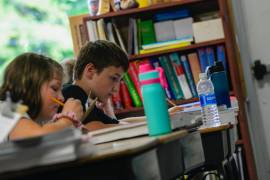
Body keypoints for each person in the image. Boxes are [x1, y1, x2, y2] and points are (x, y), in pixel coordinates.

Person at [0, 52, 83, 141]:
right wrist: (67, 120)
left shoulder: (38, 120)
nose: (62, 98)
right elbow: (36, 139)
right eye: (54, 88)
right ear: (30, 87)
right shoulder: (7, 108)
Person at [62, 40, 129, 131]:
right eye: (113, 78)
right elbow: (94, 128)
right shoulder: (73, 93)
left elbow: (116, 123)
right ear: (90, 71)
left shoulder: (88, 100)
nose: (116, 89)